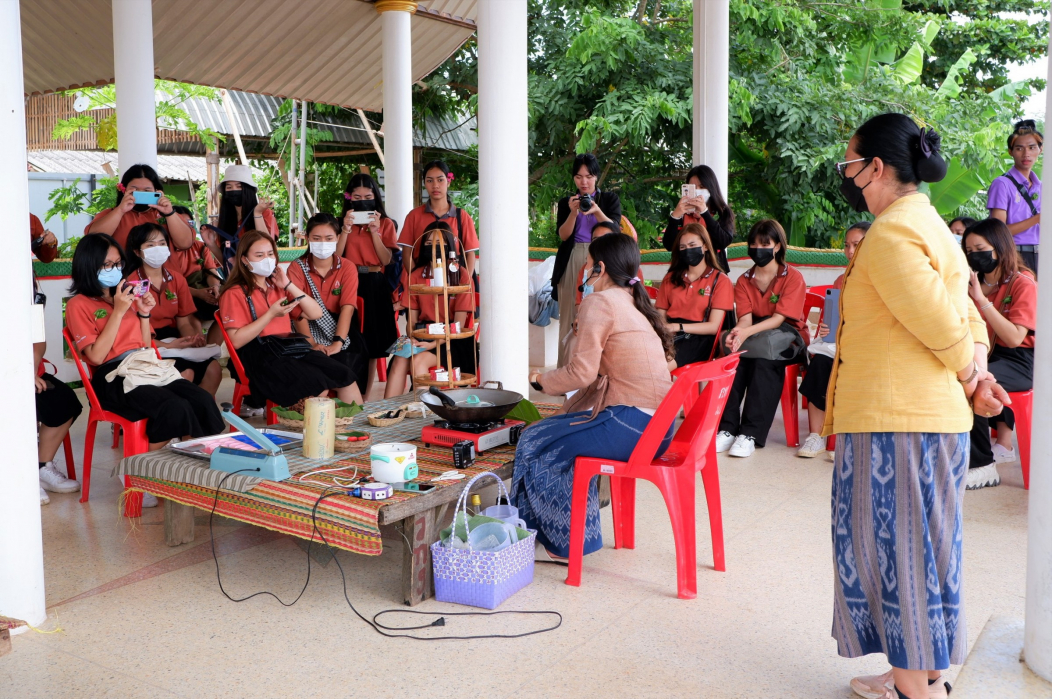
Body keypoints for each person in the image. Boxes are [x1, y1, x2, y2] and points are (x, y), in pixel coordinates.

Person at [825, 113, 1007, 699]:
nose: (846, 174)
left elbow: (941, 324)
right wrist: (977, 378)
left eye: (850, 164)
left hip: (895, 423)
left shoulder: (891, 234)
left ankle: (912, 689)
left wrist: (971, 376)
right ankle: (924, 672)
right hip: (930, 421)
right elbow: (969, 318)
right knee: (930, 549)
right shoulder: (931, 226)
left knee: (896, 555)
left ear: (875, 167)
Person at [514, 233, 673, 561]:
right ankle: (567, 535)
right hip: (659, 430)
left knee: (534, 439)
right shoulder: (634, 303)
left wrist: (539, 380)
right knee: (552, 433)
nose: (584, 270)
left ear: (599, 268)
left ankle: (554, 542)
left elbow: (581, 374)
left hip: (630, 425)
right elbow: (596, 376)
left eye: (586, 264)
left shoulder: (600, 302)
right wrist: (562, 412)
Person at [66, 233, 225, 508]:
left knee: (201, 400)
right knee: (174, 407)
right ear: (88, 265)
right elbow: (96, 356)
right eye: (106, 265)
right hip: (112, 376)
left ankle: (189, 469)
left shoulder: (127, 295)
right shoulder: (79, 304)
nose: (114, 270)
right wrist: (118, 311)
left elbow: (144, 345)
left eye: (117, 263)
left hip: (145, 365)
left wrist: (143, 314)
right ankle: (136, 468)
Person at [218, 230, 362, 408]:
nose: (267, 259)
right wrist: (270, 314)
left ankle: (355, 424)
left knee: (345, 377)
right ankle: (317, 426)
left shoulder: (278, 286)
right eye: (259, 255)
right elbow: (236, 341)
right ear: (244, 260)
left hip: (289, 348)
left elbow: (316, 313)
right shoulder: (235, 292)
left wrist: (288, 284)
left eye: (270, 254)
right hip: (259, 355)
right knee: (317, 387)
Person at [715, 219, 808, 459]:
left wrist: (745, 334)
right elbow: (745, 320)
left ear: (777, 246)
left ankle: (750, 434)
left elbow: (778, 319)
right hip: (756, 336)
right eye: (754, 244)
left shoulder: (793, 277)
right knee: (735, 359)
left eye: (765, 244)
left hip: (788, 337)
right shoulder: (744, 280)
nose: (758, 249)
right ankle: (727, 429)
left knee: (764, 362)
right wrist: (737, 333)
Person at [963, 218, 1036, 490]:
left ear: (1000, 246)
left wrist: (982, 301)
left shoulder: (1022, 283)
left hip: (1019, 360)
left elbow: (1015, 337)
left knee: (973, 382)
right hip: (985, 354)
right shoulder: (969, 283)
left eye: (980, 249)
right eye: (969, 251)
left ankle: (983, 464)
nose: (974, 255)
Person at [795, 221, 870, 458]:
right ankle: (816, 436)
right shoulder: (841, 280)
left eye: (856, 244)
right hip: (840, 344)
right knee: (820, 364)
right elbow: (834, 317)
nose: (850, 251)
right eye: (847, 245)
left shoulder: (882, 280)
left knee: (855, 370)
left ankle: (850, 439)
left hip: (868, 348)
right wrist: (827, 327)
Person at [122, 223, 221, 396]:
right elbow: (135, 334)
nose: (157, 249)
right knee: (185, 374)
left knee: (214, 369)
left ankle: (203, 411)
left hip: (173, 338)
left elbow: (184, 321)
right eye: (150, 245)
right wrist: (168, 345)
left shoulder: (177, 279)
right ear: (137, 252)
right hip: (145, 343)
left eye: (162, 243)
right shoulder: (131, 284)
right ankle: (183, 412)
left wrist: (191, 339)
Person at [384, 222, 476, 398]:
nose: (433, 247)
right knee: (399, 360)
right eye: (428, 243)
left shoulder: (460, 275)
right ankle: (388, 410)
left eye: (439, 243)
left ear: (450, 246)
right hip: (423, 333)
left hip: (452, 339)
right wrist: (412, 338)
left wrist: (432, 344)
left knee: (418, 361)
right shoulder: (416, 275)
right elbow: (412, 321)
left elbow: (458, 323)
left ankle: (424, 409)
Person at [550, 153, 622, 367]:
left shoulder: (609, 199)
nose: (584, 182)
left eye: (589, 177)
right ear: (574, 178)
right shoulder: (567, 203)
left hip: (602, 256)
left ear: (596, 177)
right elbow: (563, 236)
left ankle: (595, 372)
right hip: (573, 257)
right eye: (579, 177)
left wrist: (597, 210)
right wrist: (573, 213)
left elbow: (615, 230)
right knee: (568, 318)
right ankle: (564, 371)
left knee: (600, 314)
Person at [287, 213, 369, 395]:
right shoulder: (297, 268)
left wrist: (338, 342)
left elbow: (347, 308)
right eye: (316, 238)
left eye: (329, 238)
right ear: (307, 238)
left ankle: (350, 406)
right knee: (314, 367)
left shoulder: (347, 267)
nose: (323, 243)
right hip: (306, 330)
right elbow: (297, 311)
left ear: (338, 238)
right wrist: (312, 343)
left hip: (340, 328)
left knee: (349, 361)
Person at [336, 173, 399, 394]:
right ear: (349, 198)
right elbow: (336, 257)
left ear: (375, 198)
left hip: (374, 282)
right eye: (357, 197)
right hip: (348, 280)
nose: (362, 201)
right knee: (348, 338)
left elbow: (386, 260)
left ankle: (364, 396)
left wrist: (375, 232)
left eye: (368, 196)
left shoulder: (386, 223)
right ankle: (348, 390)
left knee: (372, 344)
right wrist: (345, 229)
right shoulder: (341, 223)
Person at [33, 267, 81, 504]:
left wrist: (29, 371)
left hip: (26, 370)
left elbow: (37, 341)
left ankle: (40, 467)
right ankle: (17, 476)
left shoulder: (28, 293)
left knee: (64, 399)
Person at [656, 222, 733, 368]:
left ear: (705, 246)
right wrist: (665, 330)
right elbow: (660, 316)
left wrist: (677, 327)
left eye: (692, 245)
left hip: (700, 338)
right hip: (669, 334)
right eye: (683, 247)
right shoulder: (670, 278)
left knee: (661, 365)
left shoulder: (720, 280)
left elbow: (713, 327)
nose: (688, 250)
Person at [396, 160, 479, 284]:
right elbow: (407, 252)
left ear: (448, 182)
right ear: (424, 183)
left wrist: (464, 282)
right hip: (423, 281)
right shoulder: (414, 216)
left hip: (455, 281)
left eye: (440, 180)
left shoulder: (462, 217)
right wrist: (416, 279)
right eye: (430, 181)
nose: (435, 185)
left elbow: (469, 253)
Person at [85, 164, 194, 251]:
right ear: (124, 190)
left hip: (164, 272)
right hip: (125, 272)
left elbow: (185, 243)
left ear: (157, 191)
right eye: (135, 190)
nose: (141, 194)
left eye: (147, 190)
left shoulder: (168, 215)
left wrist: (169, 213)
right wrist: (120, 210)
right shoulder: (112, 213)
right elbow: (93, 240)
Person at [987, 119, 1043, 273]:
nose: (1026, 154)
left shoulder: (1042, 186)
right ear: (1010, 152)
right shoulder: (1002, 184)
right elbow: (998, 232)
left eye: (1032, 147)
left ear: (1040, 149)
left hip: (1042, 254)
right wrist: (1038, 218)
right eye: (1019, 148)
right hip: (1014, 255)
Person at [202, 164, 279, 272]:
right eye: (229, 187)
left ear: (249, 190)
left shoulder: (264, 213)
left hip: (260, 277)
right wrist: (211, 244)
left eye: (239, 186)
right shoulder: (224, 220)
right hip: (236, 279)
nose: (234, 190)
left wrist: (257, 213)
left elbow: (267, 246)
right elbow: (226, 261)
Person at [661, 164, 735, 272]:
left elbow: (723, 241)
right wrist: (675, 217)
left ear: (711, 188)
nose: (697, 191)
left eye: (702, 187)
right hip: (684, 272)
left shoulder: (722, 212)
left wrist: (705, 213)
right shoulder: (682, 213)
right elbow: (669, 245)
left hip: (714, 272)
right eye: (693, 187)